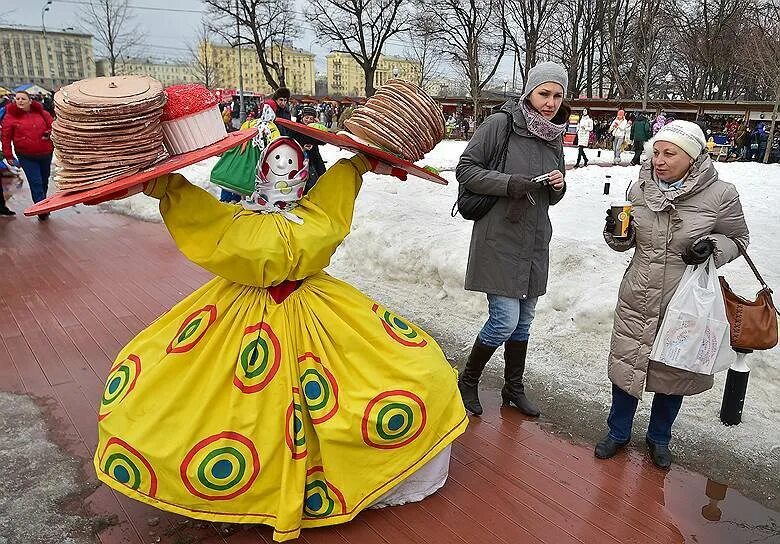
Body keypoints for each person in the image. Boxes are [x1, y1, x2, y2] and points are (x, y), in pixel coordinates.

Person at [95, 142, 467, 541]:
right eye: (275, 163)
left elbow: (341, 182)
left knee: (411, 367)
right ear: (259, 173)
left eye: (290, 163)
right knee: (217, 400)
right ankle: (248, 487)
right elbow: (188, 205)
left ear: (303, 173)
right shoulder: (234, 222)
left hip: (319, 308)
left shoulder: (312, 215)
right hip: (241, 312)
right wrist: (154, 185)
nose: (282, 171)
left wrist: (363, 161)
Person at [596, 120, 749, 469]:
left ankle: (660, 437)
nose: (659, 161)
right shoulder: (640, 188)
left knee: (673, 373)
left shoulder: (721, 195)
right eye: (656, 153)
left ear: (693, 158)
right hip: (639, 293)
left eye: (669, 154)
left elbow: (738, 239)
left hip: (686, 301)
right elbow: (627, 241)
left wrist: (712, 247)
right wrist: (616, 233)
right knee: (627, 367)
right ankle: (617, 432)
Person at [455, 61, 568, 418]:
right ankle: (468, 379)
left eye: (558, 95)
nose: (550, 102)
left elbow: (554, 190)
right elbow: (466, 169)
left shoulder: (554, 133)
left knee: (524, 321)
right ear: (529, 91)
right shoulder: (500, 124)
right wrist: (509, 184)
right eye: (544, 93)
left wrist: (559, 186)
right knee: (504, 320)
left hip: (534, 241)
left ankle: (512, 387)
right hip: (500, 237)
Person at [1, 91, 54, 219]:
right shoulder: (10, 117)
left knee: (44, 181)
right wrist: (8, 155)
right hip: (26, 156)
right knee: (35, 181)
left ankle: (43, 202)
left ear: (30, 101)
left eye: (23, 98)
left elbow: (54, 127)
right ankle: (41, 209)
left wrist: (49, 132)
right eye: (17, 98)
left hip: (45, 152)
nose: (20, 101)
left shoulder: (42, 113)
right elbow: (5, 137)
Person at [293, 105, 327, 193]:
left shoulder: (314, 129)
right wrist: (302, 146)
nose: (308, 120)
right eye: (306, 118)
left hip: (313, 159)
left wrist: (318, 125)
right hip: (299, 160)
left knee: (320, 178)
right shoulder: (295, 128)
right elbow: (292, 140)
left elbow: (323, 141)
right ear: (302, 117)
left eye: (311, 119)